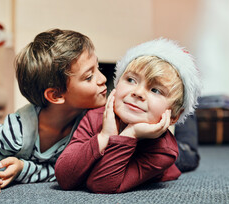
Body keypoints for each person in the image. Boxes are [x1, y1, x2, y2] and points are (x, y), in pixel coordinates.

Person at [0, 29, 107, 195]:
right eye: (89, 76)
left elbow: (66, 171)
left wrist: (24, 168)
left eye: (98, 68)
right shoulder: (14, 133)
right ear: (56, 95)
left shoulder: (92, 122)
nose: (103, 79)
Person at [55, 38, 202, 194]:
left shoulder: (164, 151)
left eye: (155, 90)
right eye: (131, 80)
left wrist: (130, 134)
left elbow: (102, 184)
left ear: (173, 117)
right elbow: (64, 177)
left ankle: (187, 116)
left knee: (188, 155)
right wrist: (104, 136)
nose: (137, 93)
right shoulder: (95, 116)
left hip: (171, 158)